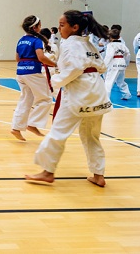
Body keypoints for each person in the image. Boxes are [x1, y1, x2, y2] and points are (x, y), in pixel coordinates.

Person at [25, 10, 111, 187]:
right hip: (97, 92)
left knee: (58, 132)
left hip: (79, 93)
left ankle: (47, 172)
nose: (59, 28)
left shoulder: (70, 44)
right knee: (92, 136)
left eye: (62, 25)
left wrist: (55, 82)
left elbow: (74, 69)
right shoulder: (88, 44)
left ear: (75, 27)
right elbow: (102, 67)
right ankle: (98, 175)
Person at [10, 16, 56, 141]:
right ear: (35, 28)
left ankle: (16, 127)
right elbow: (41, 57)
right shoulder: (36, 41)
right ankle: (32, 123)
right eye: (39, 26)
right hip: (32, 72)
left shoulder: (20, 40)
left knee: (25, 100)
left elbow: (17, 59)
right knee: (46, 99)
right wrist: (55, 64)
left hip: (20, 72)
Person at [104, 28, 131, 100]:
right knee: (121, 81)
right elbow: (128, 54)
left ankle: (106, 98)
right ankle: (126, 94)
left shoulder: (110, 45)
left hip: (114, 63)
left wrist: (104, 65)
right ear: (119, 37)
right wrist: (126, 63)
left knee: (108, 82)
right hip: (122, 62)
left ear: (110, 37)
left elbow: (109, 56)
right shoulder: (123, 45)